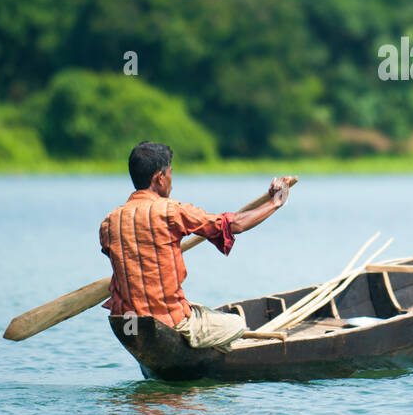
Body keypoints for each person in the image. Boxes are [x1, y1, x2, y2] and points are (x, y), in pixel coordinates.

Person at [100, 141, 293, 352]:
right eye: (170, 174)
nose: (171, 182)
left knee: (191, 312)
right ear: (159, 178)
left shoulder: (110, 222)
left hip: (128, 325)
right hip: (169, 321)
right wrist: (275, 202)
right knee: (237, 324)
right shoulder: (171, 211)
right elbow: (234, 224)